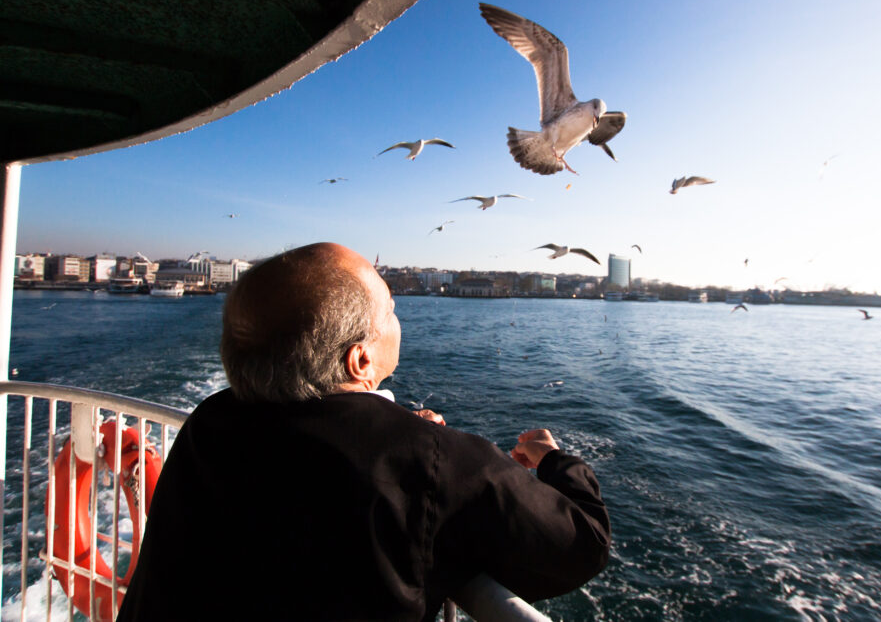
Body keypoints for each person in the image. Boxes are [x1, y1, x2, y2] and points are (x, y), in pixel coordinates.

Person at [117, 242, 610, 621]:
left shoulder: (211, 422)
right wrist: (552, 459)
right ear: (360, 358)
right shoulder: (428, 458)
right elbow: (582, 544)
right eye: (391, 309)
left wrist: (396, 436)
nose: (399, 318)